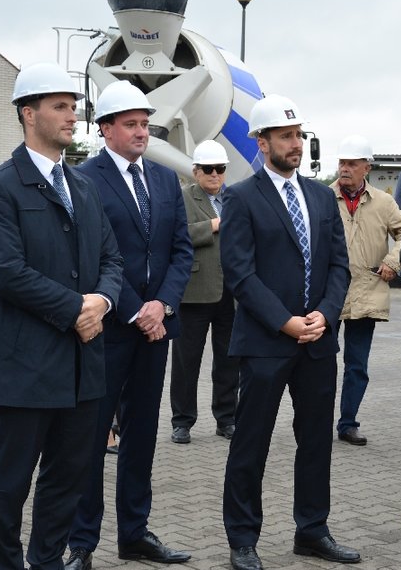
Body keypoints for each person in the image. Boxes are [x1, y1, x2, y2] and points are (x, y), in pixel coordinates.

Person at [0, 62, 123, 570]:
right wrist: (75, 308)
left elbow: (111, 259)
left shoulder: (83, 186)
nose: (72, 116)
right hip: (26, 365)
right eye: (60, 106)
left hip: (83, 365)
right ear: (28, 113)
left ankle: (47, 562)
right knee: (10, 481)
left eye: (74, 107)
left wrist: (102, 302)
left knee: (68, 477)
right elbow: (7, 272)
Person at [220, 94, 355, 570]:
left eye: (298, 135)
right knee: (251, 442)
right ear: (262, 143)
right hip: (265, 343)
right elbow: (240, 274)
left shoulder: (320, 196)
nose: (295, 144)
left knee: (316, 441)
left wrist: (326, 314)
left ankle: (312, 531)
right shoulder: (241, 197)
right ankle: (242, 539)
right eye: (285, 136)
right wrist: (285, 321)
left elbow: (339, 265)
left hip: (317, 342)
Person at [66, 80, 193, 569]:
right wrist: (137, 310)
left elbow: (181, 251)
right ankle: (82, 543)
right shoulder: (84, 179)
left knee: (141, 435)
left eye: (145, 124)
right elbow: (92, 257)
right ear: (105, 129)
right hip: (108, 329)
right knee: (92, 436)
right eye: (131, 124)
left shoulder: (164, 179)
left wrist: (163, 305)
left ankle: (135, 534)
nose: (142, 132)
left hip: (156, 330)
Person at [329, 135, 401, 446]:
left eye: (352, 164)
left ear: (366, 168)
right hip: (328, 294)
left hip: (367, 291)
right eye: (342, 163)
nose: (345, 169)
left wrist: (393, 261)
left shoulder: (384, 203)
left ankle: (348, 424)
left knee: (357, 365)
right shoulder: (323, 197)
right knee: (320, 363)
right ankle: (316, 420)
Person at [170, 140, 239, 445]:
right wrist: (211, 225)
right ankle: (182, 421)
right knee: (187, 362)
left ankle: (227, 419)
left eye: (220, 169)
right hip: (194, 292)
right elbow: (176, 235)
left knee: (228, 361)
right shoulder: (182, 197)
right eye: (208, 169)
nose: (214, 174)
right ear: (196, 171)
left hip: (231, 293)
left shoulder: (235, 198)